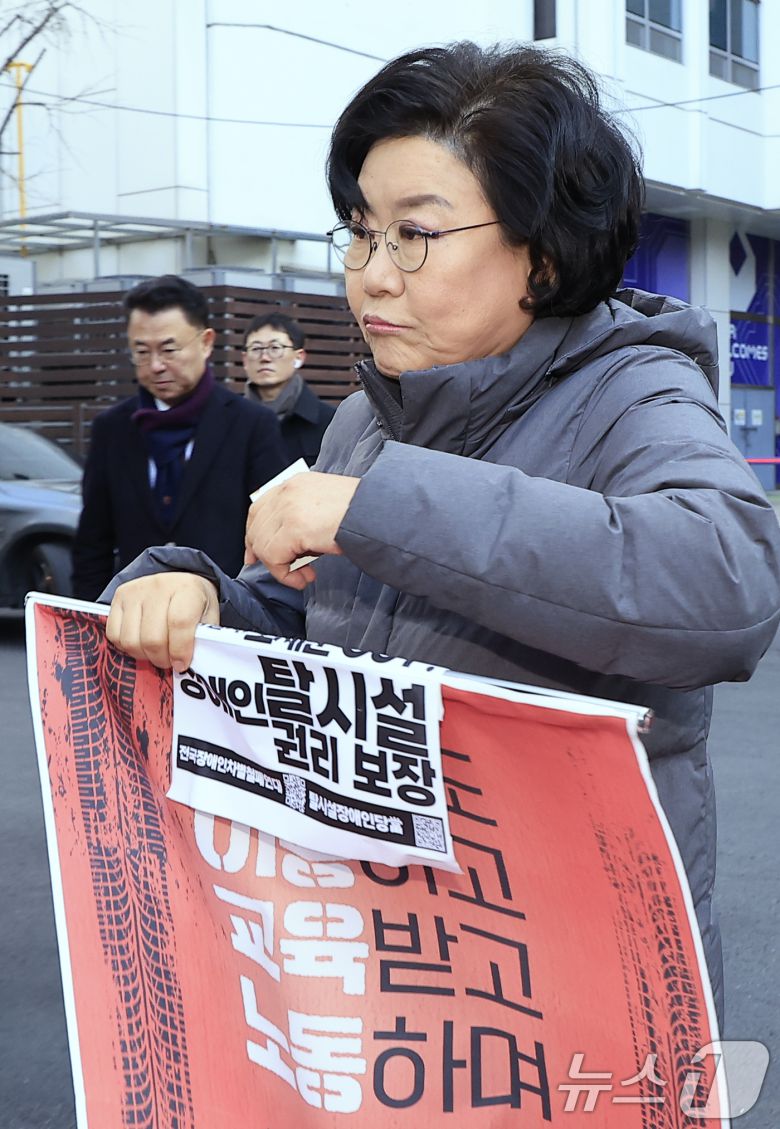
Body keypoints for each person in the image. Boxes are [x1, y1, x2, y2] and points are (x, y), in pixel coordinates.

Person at [102, 43, 780, 1024]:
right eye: (359, 233)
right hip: (398, 969)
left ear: (540, 254)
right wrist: (200, 593)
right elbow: (316, 619)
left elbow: (726, 583)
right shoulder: (370, 417)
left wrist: (368, 509)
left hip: (573, 988)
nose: (371, 276)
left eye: (414, 235)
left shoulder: (637, 389)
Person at [71, 275, 287, 600]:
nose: (156, 365)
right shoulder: (112, 429)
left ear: (206, 342)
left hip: (225, 617)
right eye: (141, 352)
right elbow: (92, 544)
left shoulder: (252, 425)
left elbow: (278, 535)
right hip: (133, 619)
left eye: (169, 349)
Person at [242, 313, 336, 465]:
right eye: (256, 348)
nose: (265, 357)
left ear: (298, 357)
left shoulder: (331, 421)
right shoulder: (229, 421)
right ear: (245, 360)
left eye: (275, 348)